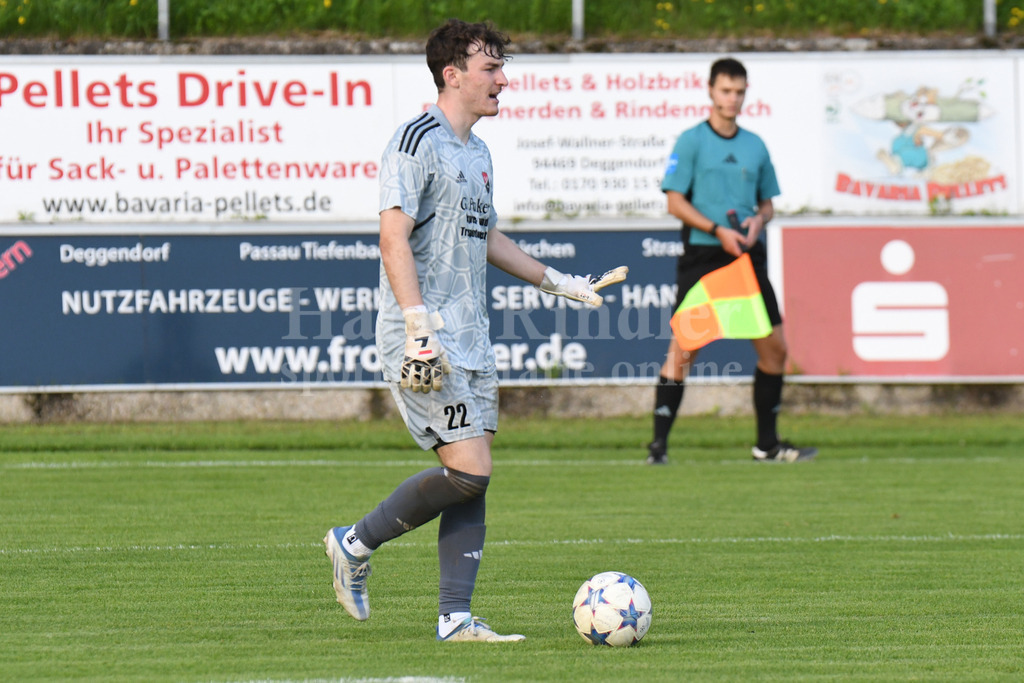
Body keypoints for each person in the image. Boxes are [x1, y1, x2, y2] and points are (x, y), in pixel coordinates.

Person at [324, 18, 625, 643]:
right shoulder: (414, 142)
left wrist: (563, 284)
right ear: (452, 74)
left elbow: (485, 237)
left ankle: (455, 618)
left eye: (502, 68)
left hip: (472, 335)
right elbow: (391, 237)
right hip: (423, 336)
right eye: (491, 69)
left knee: (475, 469)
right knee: (470, 471)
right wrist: (416, 328)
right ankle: (353, 543)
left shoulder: (478, 151)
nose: (503, 80)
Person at [647, 57, 817, 466]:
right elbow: (674, 201)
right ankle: (658, 447)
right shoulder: (691, 141)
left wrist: (759, 219)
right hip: (705, 255)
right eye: (725, 90)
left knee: (775, 351)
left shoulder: (755, 145)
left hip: (746, 257)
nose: (732, 99)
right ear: (710, 90)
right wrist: (715, 227)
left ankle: (767, 446)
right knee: (684, 350)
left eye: (739, 92)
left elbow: (768, 204)